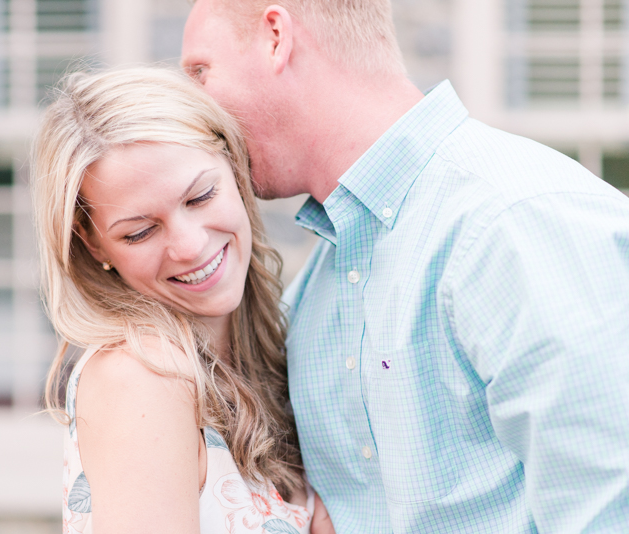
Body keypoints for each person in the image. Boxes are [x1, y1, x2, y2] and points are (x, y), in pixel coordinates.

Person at [181, 0, 629, 532]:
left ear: (276, 36)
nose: (193, 111)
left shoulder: (513, 221)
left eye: (201, 73)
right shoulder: (319, 279)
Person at [32, 68, 335, 533]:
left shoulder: (281, 351)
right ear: (94, 247)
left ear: (234, 166)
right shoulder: (142, 375)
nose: (189, 246)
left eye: (200, 197)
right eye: (140, 232)